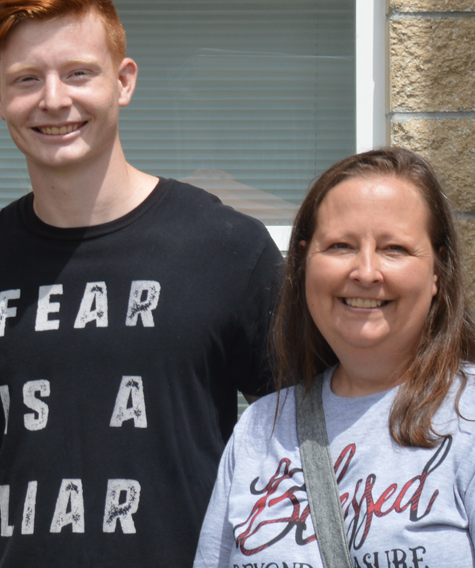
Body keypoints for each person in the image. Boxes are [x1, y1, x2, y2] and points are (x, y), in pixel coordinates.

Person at [0, 0, 283, 567]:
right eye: (27, 79)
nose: (54, 100)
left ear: (124, 81)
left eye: (79, 73)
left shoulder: (227, 248)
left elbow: (307, 434)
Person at [194, 148, 475, 567]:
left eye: (394, 248)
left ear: (437, 272)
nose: (365, 271)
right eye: (341, 245)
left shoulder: (467, 416)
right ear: (305, 261)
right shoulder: (260, 429)